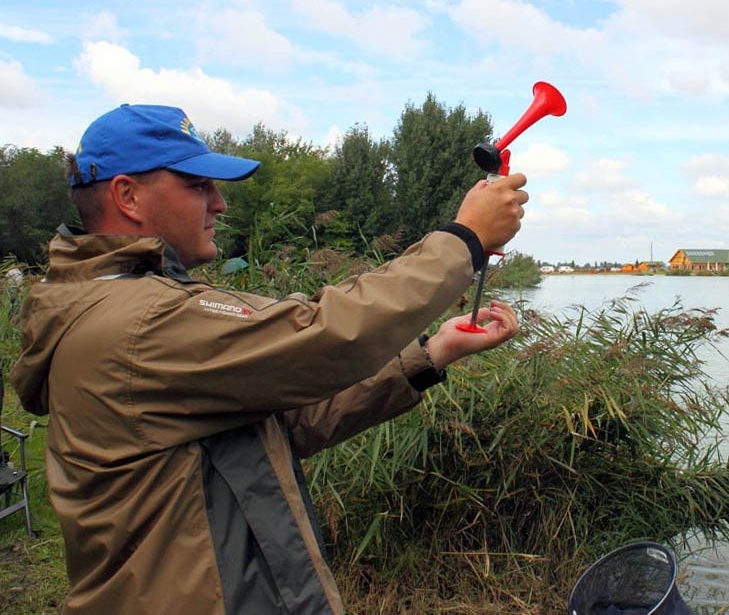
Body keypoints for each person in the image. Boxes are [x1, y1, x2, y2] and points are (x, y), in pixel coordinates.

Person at [9, 104, 529, 615]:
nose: (219, 204)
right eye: (197, 185)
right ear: (128, 194)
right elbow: (327, 335)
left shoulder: (124, 308)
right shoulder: (138, 322)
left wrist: (431, 353)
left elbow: (283, 428)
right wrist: (464, 240)